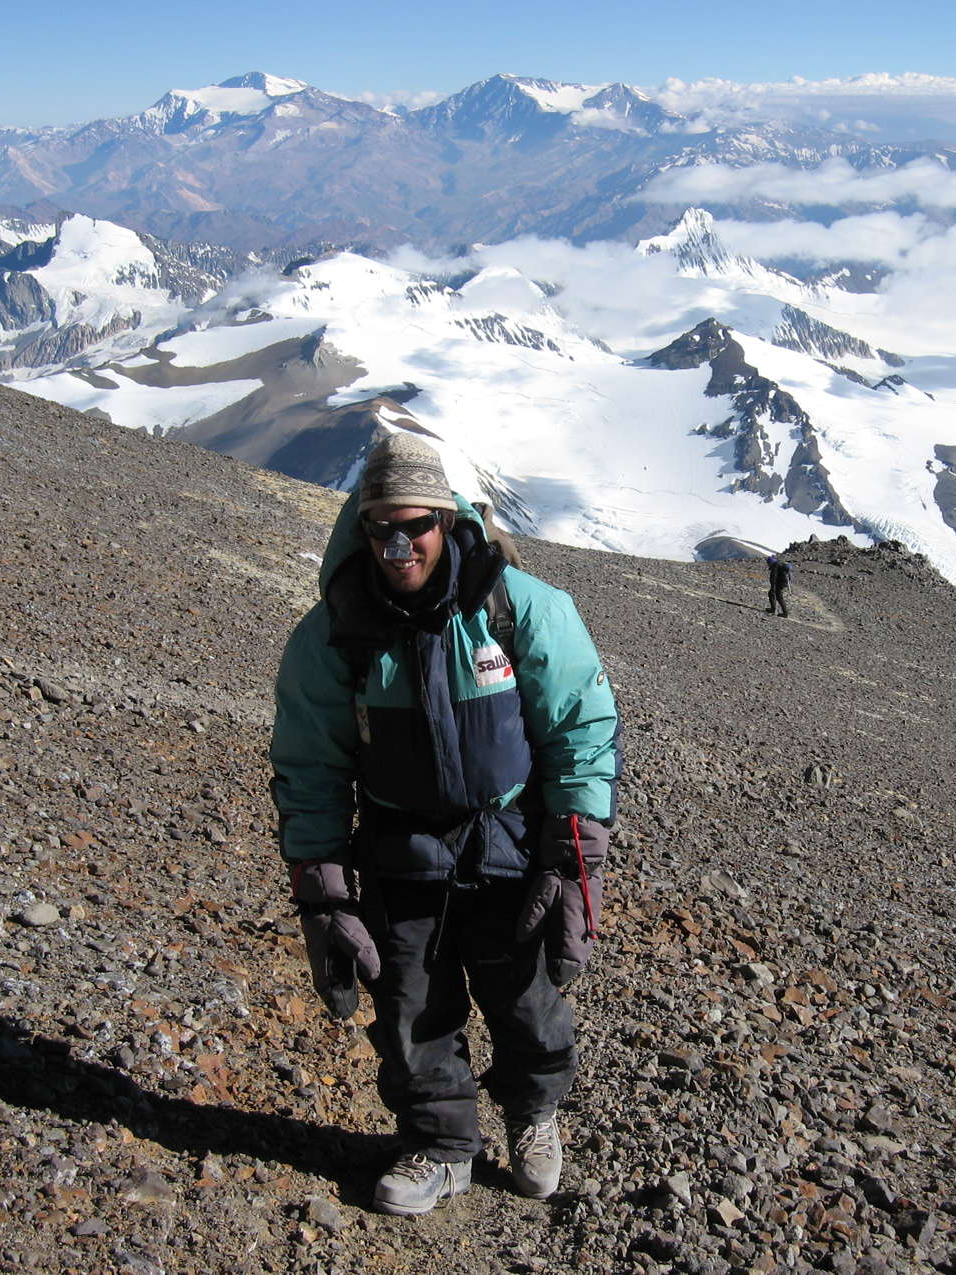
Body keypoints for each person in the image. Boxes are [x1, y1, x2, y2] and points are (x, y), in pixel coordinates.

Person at [270, 431, 620, 1216]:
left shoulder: (517, 608)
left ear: (445, 518)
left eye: (415, 526)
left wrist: (574, 856)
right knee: (410, 1006)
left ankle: (533, 1112)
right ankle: (441, 1143)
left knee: (525, 995)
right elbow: (310, 762)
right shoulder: (337, 631)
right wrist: (323, 892)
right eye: (380, 529)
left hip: (509, 841)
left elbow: (579, 726)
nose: (398, 547)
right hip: (400, 847)